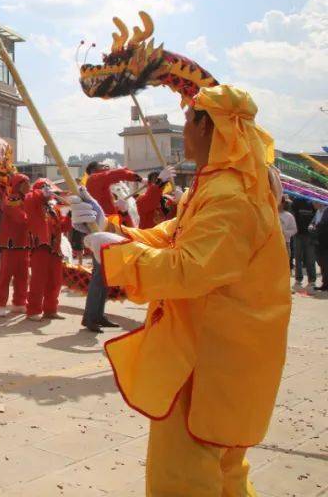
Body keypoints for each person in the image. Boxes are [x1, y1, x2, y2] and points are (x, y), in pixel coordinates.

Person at [75, 85, 289, 495]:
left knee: (184, 479)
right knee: (224, 474)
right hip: (216, 354)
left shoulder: (230, 196)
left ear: (208, 126)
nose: (184, 130)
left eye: (189, 119)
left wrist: (119, 255)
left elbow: (190, 269)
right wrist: (111, 230)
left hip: (207, 360)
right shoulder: (218, 187)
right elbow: (169, 237)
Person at [80, 161, 132, 333]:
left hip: (106, 230)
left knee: (104, 276)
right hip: (100, 232)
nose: (105, 168)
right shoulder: (95, 179)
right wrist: (131, 175)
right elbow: (112, 175)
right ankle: (90, 316)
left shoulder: (100, 183)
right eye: (102, 166)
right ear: (94, 170)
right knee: (99, 276)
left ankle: (98, 315)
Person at [25, 180, 68, 321]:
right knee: (38, 280)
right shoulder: (33, 203)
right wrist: (39, 192)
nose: (49, 191)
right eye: (45, 188)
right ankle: (33, 310)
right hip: (40, 247)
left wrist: (72, 216)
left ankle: (50, 310)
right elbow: (30, 197)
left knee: (55, 281)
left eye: (49, 188)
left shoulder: (54, 209)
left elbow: (62, 227)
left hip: (55, 248)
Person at [0, 173, 31, 316]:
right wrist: (35, 217)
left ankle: (19, 302)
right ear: (18, 185)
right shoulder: (11, 198)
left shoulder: (27, 199)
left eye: (28, 182)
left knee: (23, 276)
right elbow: (20, 217)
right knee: (5, 275)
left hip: (23, 243)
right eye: (25, 182)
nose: (28, 185)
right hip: (11, 244)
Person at [291, 195, 318, 291]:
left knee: (310, 258)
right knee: (298, 257)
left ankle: (312, 280)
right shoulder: (297, 200)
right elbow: (293, 213)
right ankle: (299, 279)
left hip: (309, 235)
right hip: (298, 234)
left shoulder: (314, 201)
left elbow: (316, 217)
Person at [278, 196, 298, 268]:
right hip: (271, 242)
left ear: (283, 204)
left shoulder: (288, 216)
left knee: (283, 265)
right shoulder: (271, 213)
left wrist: (284, 233)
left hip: (285, 242)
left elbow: (294, 229)